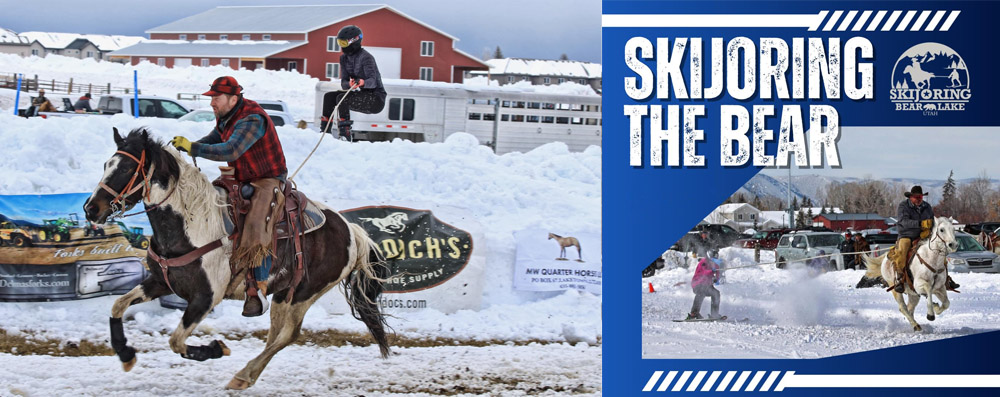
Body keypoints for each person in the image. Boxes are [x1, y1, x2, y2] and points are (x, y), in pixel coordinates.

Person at [169, 76, 287, 317]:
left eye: (216, 98)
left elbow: (231, 149)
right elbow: (217, 138)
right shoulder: (227, 115)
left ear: (233, 99)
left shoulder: (252, 119)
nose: (212, 102)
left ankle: (258, 289)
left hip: (268, 178)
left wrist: (194, 149)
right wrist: (192, 145)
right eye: (211, 97)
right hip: (242, 175)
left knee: (256, 224)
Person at [319, 25, 386, 140]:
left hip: (376, 99)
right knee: (329, 97)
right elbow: (344, 83)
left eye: (344, 43)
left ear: (354, 41)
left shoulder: (366, 58)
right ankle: (324, 133)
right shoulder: (344, 58)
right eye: (339, 43)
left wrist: (362, 82)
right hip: (361, 94)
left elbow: (373, 81)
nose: (341, 47)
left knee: (341, 98)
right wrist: (349, 84)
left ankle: (345, 134)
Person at [890, 186, 959, 292]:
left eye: (920, 196)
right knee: (902, 251)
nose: (918, 199)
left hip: (923, 235)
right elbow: (903, 222)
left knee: (940, 251)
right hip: (907, 235)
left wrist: (930, 228)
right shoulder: (903, 206)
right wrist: (920, 224)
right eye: (916, 197)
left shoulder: (927, 206)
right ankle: (900, 278)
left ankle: (946, 278)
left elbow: (932, 221)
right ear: (911, 197)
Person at [687, 256, 722, 320]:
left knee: (716, 293)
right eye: (712, 261)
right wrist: (711, 271)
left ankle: (714, 314)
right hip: (698, 284)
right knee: (701, 292)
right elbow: (704, 272)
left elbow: (718, 274)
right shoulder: (703, 262)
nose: (713, 263)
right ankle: (694, 313)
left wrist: (716, 279)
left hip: (708, 286)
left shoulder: (716, 265)